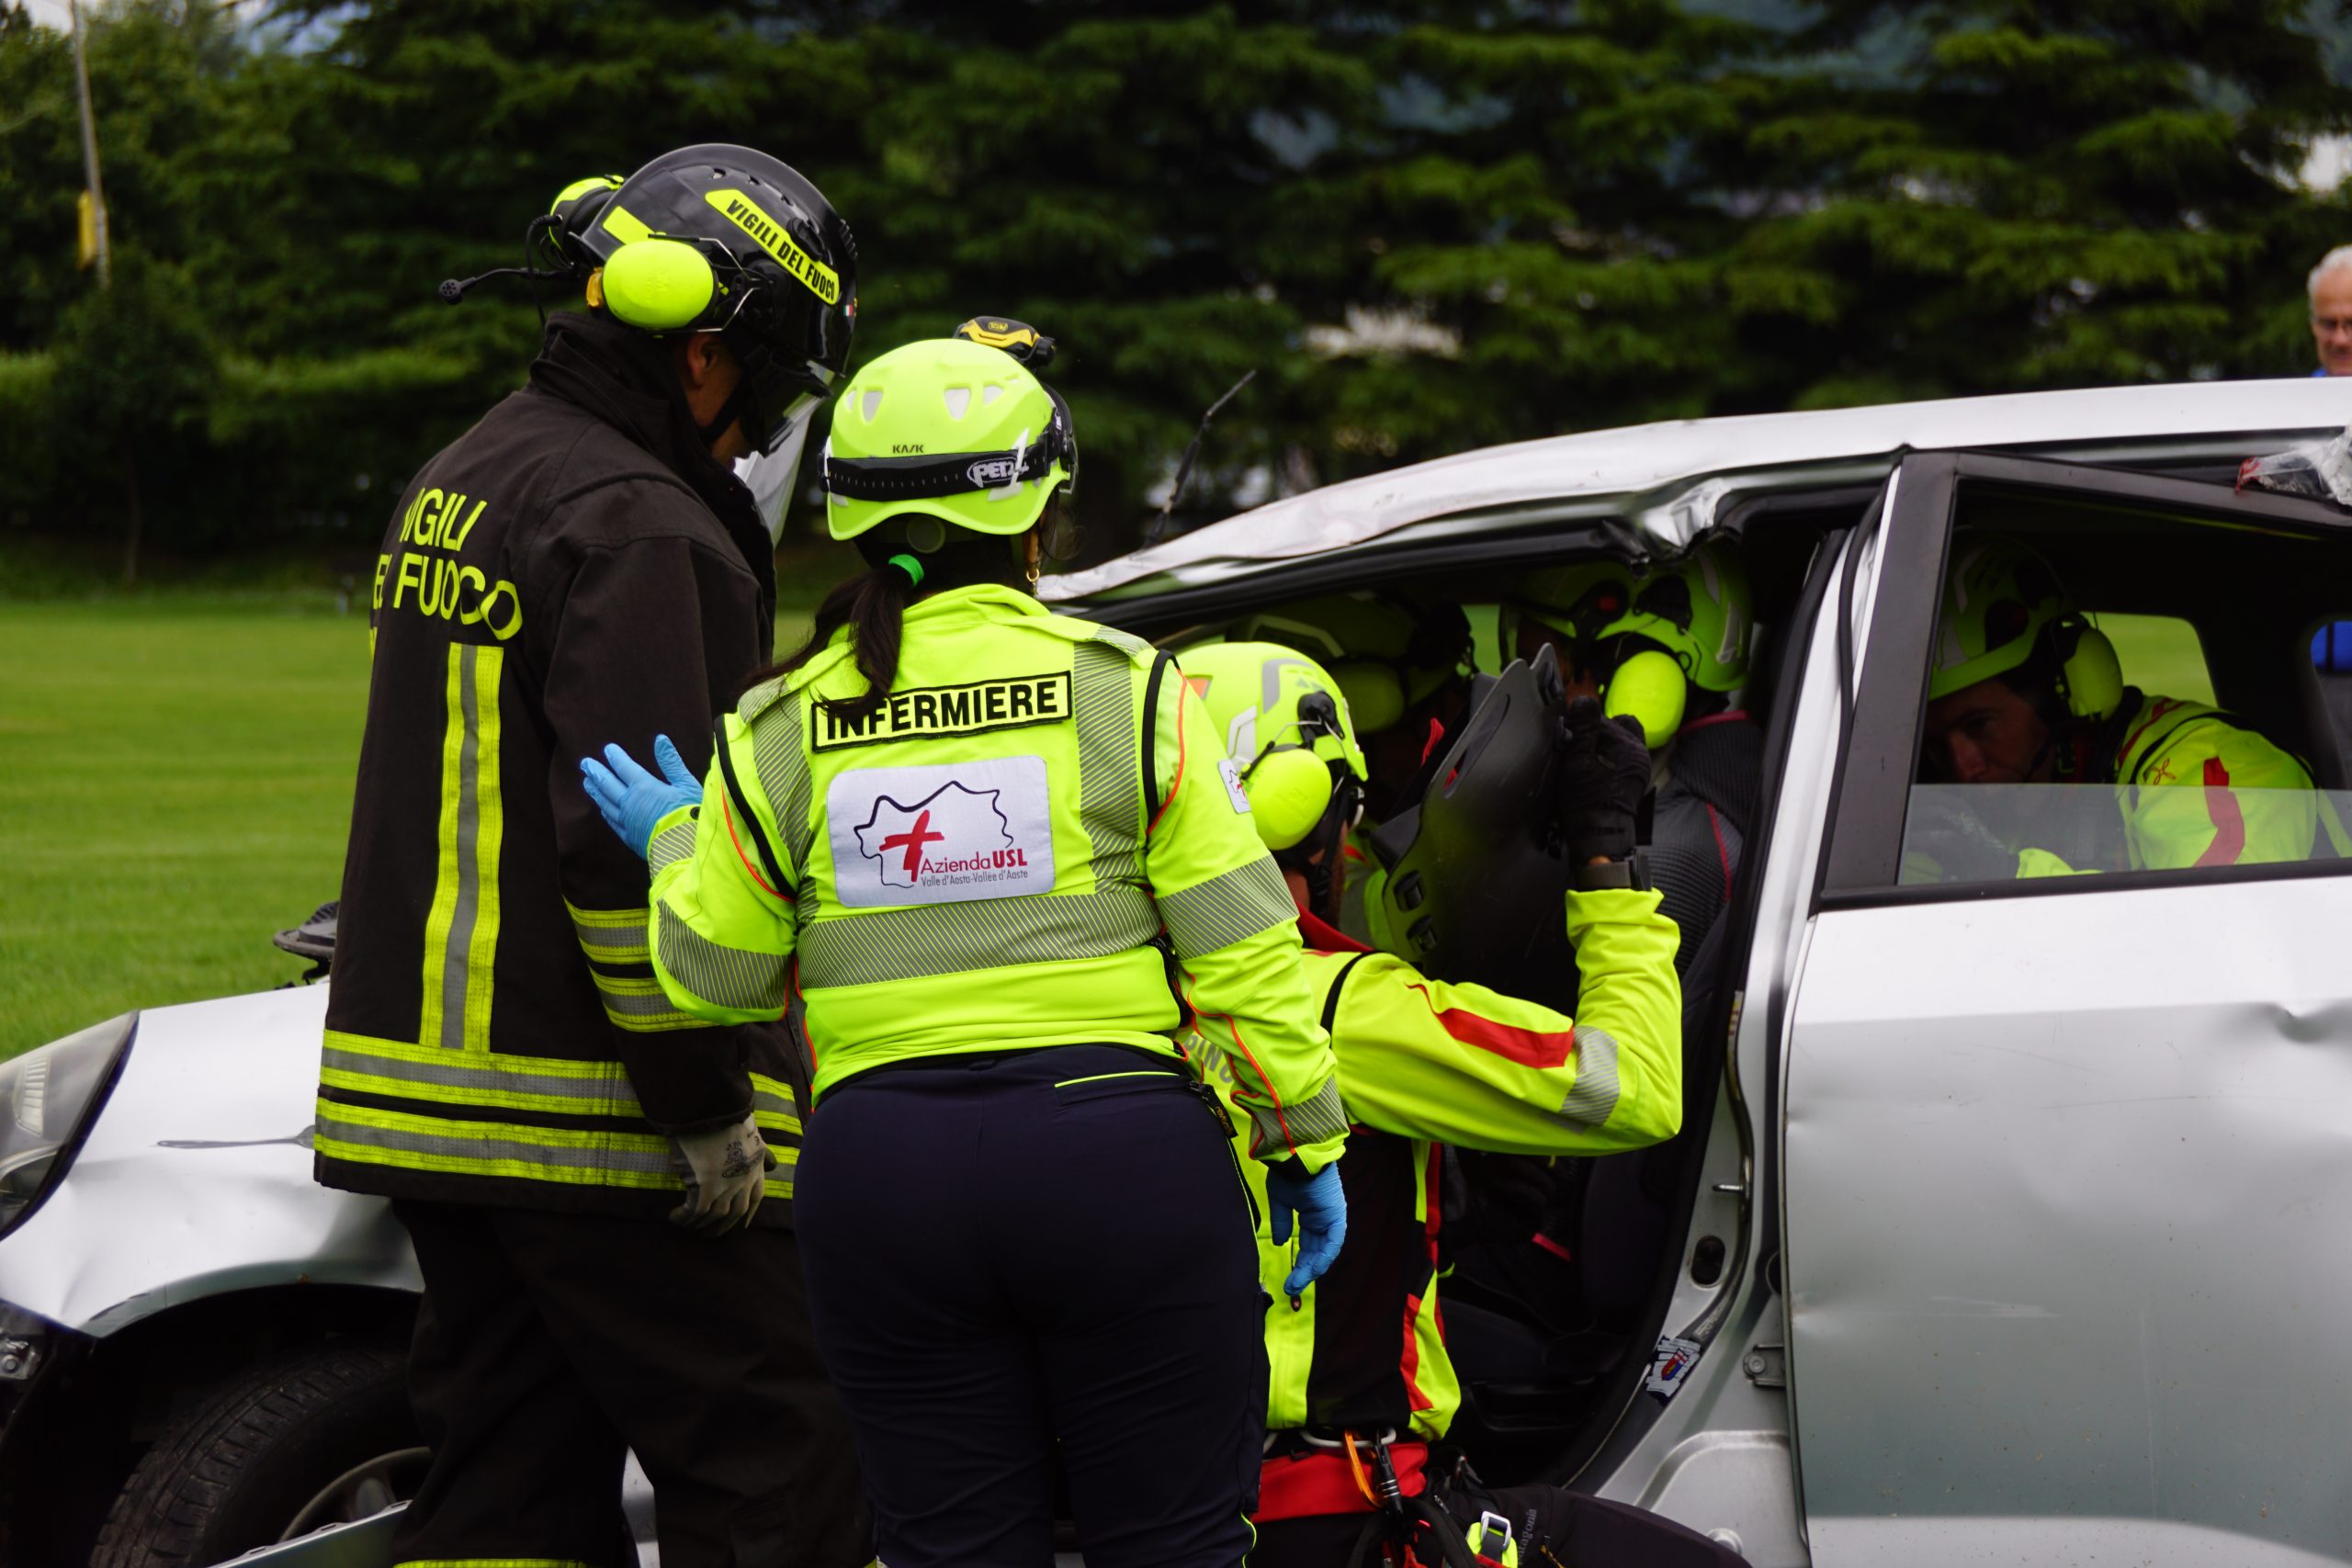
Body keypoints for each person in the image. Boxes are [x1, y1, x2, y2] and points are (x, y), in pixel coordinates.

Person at [581, 335, 1351, 1568]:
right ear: (1040, 512)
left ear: (848, 519)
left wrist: (681, 836)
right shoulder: (1129, 689)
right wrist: (1304, 1135)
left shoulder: (780, 720)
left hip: (884, 1178)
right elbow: (1246, 949)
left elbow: (714, 973)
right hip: (1122, 1159)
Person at [311, 145, 870, 1567]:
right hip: (589, 1109)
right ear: (699, 358)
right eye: (762, 383)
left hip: (428, 1099)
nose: (756, 436)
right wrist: (704, 1099)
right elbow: (632, 855)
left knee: (508, 1475)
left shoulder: (470, 470)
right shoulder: (642, 521)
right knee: (778, 1454)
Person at [1178, 641, 1726, 1567]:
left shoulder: (1095, 1017)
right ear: (1312, 823)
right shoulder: (1340, 1012)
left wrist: (1433, 1213)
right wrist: (1604, 863)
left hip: (1176, 1513)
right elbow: (1631, 1084)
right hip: (1337, 1516)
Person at [1912, 533, 2345, 877]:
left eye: (1979, 725)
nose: (1961, 767)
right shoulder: (1972, 820)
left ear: (2065, 687)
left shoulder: (2216, 769)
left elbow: (2214, 943)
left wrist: (2005, 876)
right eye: (1934, 744)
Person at [2312, 245, 2352, 377]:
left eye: (2351, 324)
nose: (2340, 340)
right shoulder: (2296, 396)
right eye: (2329, 324)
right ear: (2314, 327)